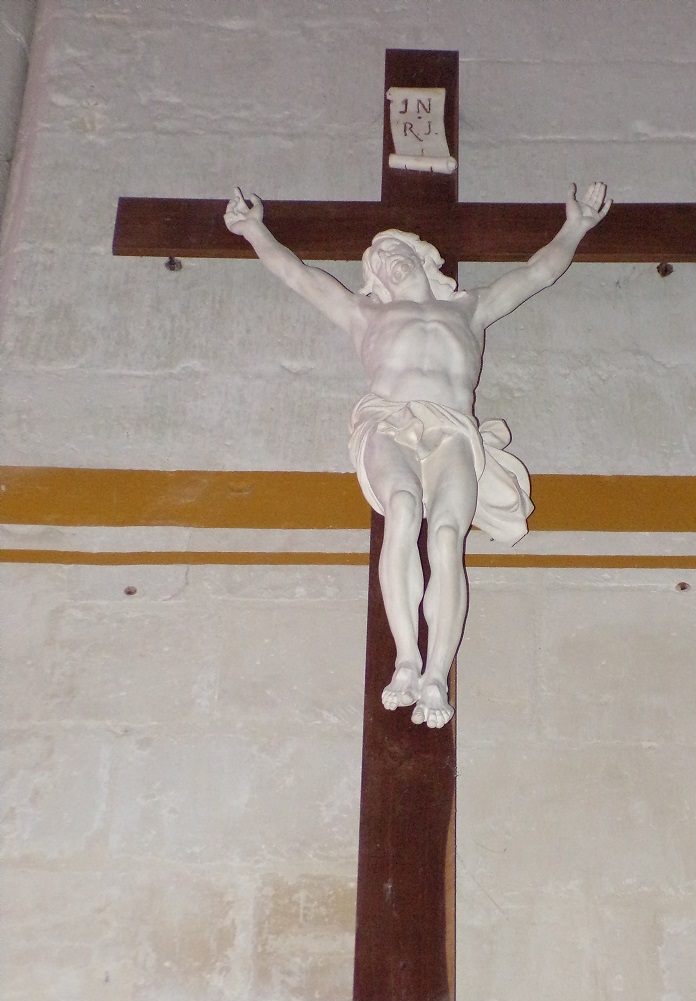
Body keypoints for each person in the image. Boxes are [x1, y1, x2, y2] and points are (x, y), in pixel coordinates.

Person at [224, 182, 610, 727]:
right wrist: (253, 228)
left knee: (448, 535)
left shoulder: (469, 310)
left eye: (395, 255)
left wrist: (576, 225)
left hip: (452, 426)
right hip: (389, 418)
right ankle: (406, 657)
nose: (387, 265)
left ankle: (435, 673)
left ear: (420, 258)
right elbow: (298, 276)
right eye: (378, 264)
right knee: (403, 509)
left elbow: (537, 274)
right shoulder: (365, 316)